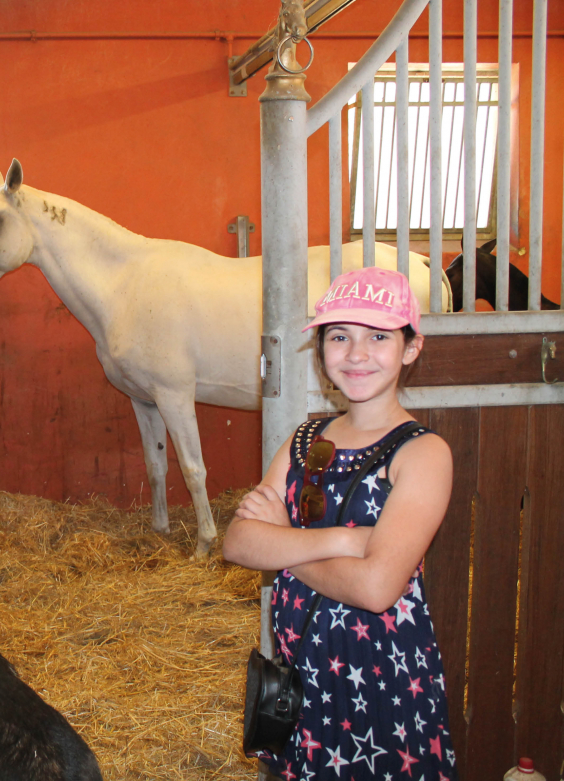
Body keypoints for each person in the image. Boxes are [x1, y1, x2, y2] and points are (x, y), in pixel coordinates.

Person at [224, 267, 458, 778]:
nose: (356, 354)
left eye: (378, 337)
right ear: (322, 350)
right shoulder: (304, 440)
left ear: (410, 348)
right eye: (339, 336)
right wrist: (350, 543)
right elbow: (239, 542)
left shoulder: (421, 453)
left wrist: (283, 540)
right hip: (304, 679)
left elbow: (376, 588)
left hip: (383, 684)